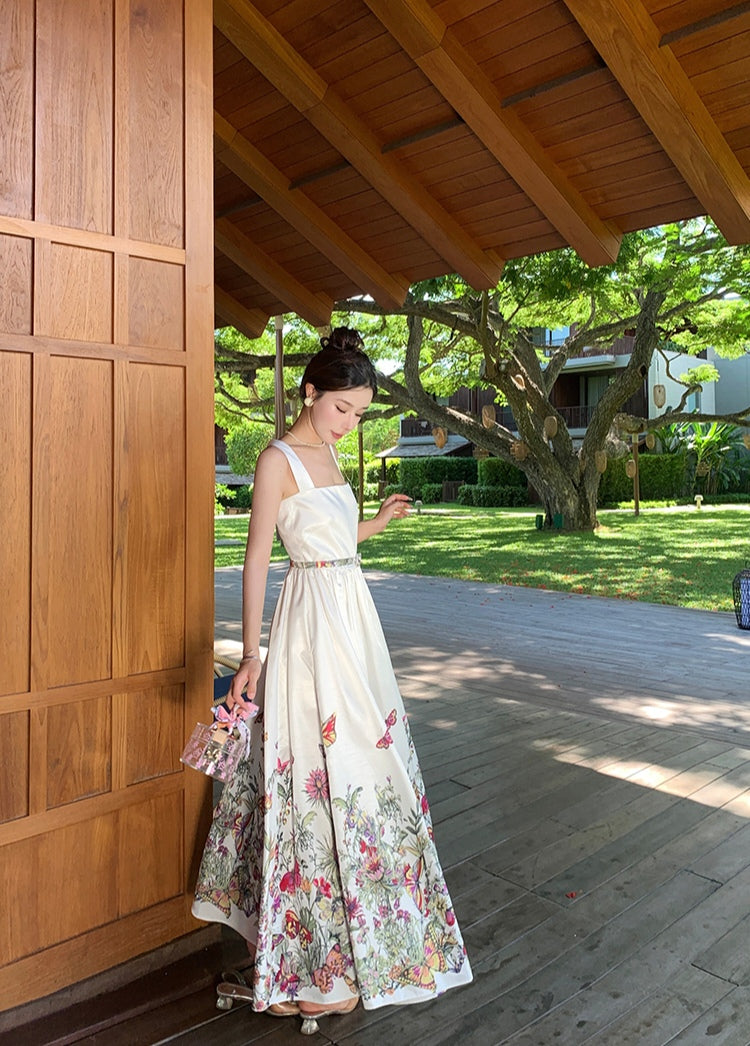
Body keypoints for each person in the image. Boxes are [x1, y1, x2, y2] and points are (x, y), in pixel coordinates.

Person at [193, 327, 472, 1035]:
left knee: (370, 763)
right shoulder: (277, 460)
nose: (349, 423)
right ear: (311, 392)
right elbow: (258, 557)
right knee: (319, 775)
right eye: (342, 408)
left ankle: (359, 948)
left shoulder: (330, 456)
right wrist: (250, 654)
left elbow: (333, 543)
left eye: (359, 414)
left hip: (353, 622)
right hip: (309, 627)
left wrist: (373, 521)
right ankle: (312, 965)